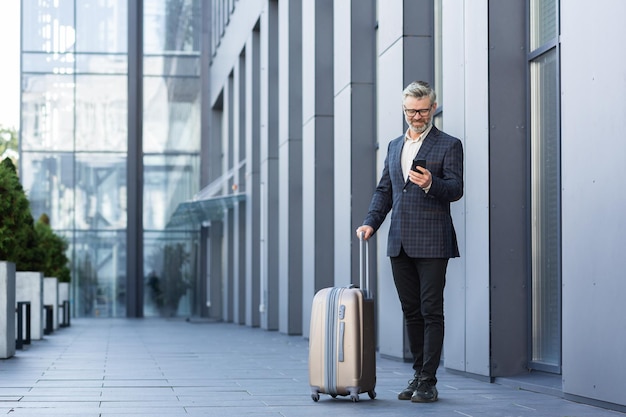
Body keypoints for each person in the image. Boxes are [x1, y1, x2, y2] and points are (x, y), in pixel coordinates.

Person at [356, 80, 463, 403]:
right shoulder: (393, 147)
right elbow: (385, 191)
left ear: (433, 108)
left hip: (433, 241)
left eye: (422, 110)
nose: (416, 116)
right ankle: (418, 373)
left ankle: (429, 380)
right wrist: (370, 223)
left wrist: (433, 183)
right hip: (399, 241)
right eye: (410, 111)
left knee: (432, 310)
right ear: (404, 109)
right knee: (411, 311)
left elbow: (456, 189)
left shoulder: (449, 144)